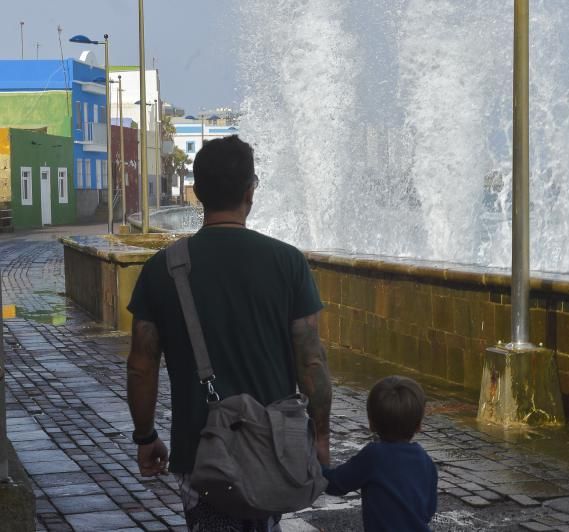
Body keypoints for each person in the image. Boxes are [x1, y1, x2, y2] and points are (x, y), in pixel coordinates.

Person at [126, 135, 332, 531]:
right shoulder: (288, 263)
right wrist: (320, 437)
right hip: (275, 447)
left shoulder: (162, 269)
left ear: (198, 192)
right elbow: (311, 360)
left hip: (200, 452)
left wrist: (145, 436)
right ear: (250, 191)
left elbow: (141, 366)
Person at [323, 375, 437, 532]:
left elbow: (336, 484)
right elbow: (429, 510)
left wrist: (315, 466)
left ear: (371, 423)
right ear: (419, 426)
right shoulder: (426, 461)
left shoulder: (374, 456)